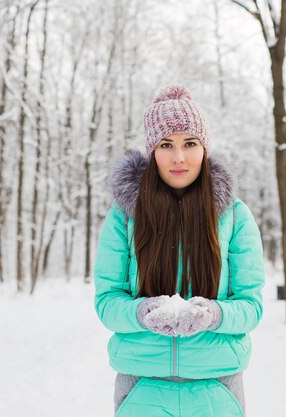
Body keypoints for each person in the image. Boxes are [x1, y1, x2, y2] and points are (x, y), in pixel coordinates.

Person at [93, 84, 264, 417]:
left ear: (204, 147)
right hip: (141, 384)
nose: (179, 157)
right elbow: (107, 301)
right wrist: (141, 313)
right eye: (166, 145)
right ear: (152, 151)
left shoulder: (235, 216)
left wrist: (213, 316)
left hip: (217, 384)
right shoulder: (124, 217)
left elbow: (251, 306)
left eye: (190, 143)